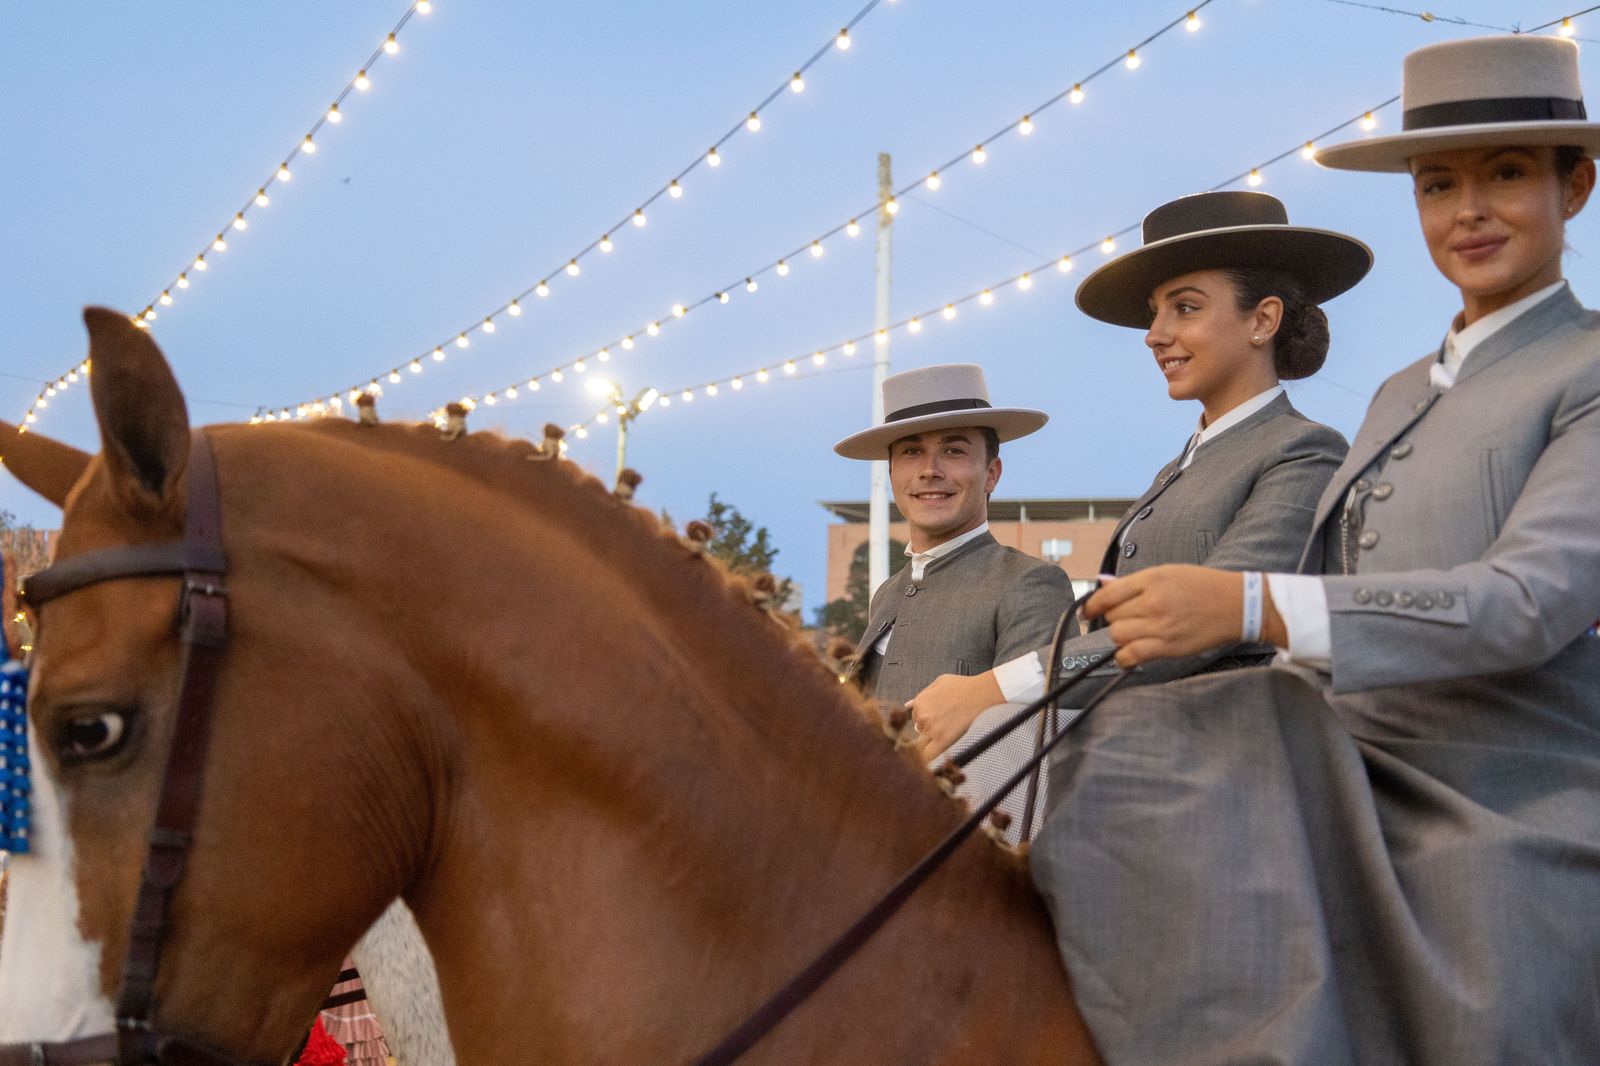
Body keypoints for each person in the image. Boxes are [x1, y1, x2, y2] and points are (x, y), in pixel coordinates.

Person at [1031, 34, 1600, 1065]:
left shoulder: (1587, 368)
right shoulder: (1397, 393)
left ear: (1576, 186)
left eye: (1508, 173)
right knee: (1127, 755)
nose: (1467, 211)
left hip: (1503, 798)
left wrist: (1251, 607)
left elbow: (1529, 602)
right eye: (1438, 183)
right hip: (1343, 770)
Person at [908, 190, 1370, 762]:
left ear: (1263, 320)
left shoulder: (1303, 451)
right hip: (1139, 752)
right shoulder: (1177, 469)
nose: (1155, 333)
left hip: (1233, 763)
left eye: (1186, 308)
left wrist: (994, 688)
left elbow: (1191, 622)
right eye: (1155, 311)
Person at [834, 364, 1072, 833]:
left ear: (991, 473)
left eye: (954, 450)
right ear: (892, 473)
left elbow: (1029, 748)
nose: (930, 470)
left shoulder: (1031, 582)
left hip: (957, 847)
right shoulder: (887, 593)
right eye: (911, 452)